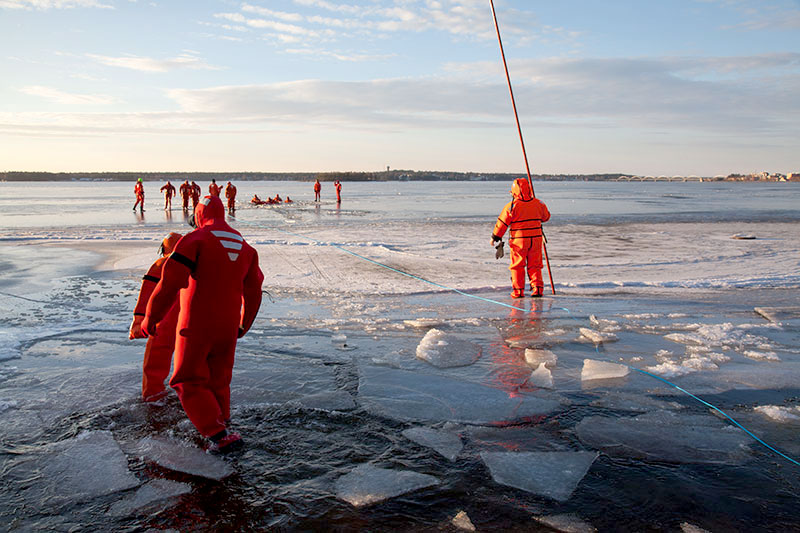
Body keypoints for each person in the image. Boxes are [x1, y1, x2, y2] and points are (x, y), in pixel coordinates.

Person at [141, 195, 263, 453]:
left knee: (187, 380)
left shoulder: (196, 239)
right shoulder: (245, 246)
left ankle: (218, 434)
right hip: (228, 327)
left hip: (197, 324)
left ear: (199, 214)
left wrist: (151, 316)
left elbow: (170, 282)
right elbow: (254, 290)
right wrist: (245, 322)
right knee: (219, 380)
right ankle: (224, 421)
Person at [129, 232, 182, 401]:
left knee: (155, 363)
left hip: (162, 321)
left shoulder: (160, 264)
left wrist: (138, 320)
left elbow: (146, 293)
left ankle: (153, 397)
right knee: (190, 362)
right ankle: (191, 397)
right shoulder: (194, 265)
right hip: (189, 321)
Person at [492, 178, 551, 298]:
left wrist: (495, 237)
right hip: (536, 239)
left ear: (514, 192)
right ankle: (538, 289)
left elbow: (502, 223)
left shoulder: (511, 206)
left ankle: (518, 291)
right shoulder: (539, 203)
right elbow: (546, 217)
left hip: (519, 241)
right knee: (535, 265)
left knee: (518, 265)